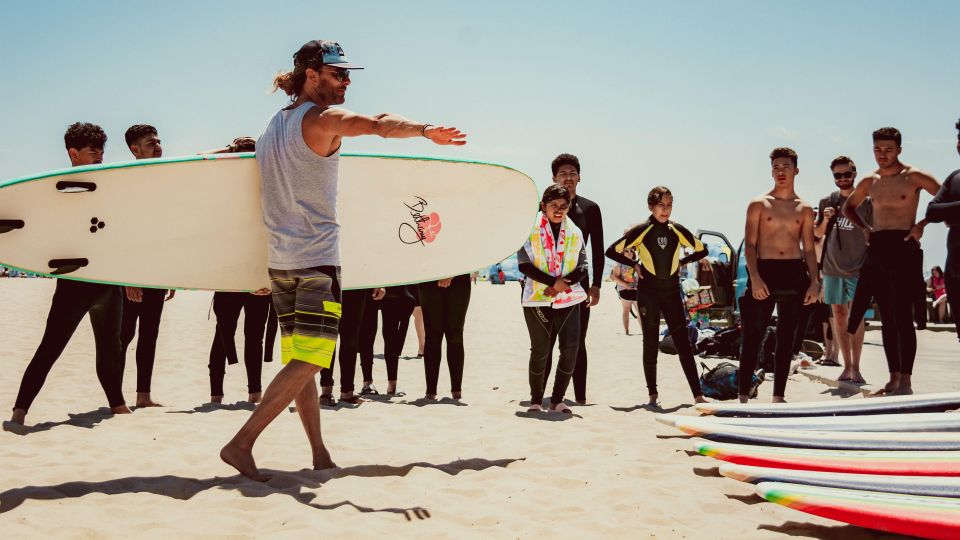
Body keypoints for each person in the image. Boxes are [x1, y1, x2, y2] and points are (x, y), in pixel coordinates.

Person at [220, 40, 465, 481]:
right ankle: (241, 443)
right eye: (338, 74)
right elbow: (377, 124)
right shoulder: (322, 118)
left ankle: (319, 451)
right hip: (315, 260)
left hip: (282, 261)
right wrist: (426, 130)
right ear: (312, 75)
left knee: (302, 361)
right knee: (314, 358)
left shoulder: (273, 125)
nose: (346, 82)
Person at [8, 123, 131, 427]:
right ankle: (20, 411)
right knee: (50, 347)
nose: (100, 155)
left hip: (107, 281)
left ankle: (118, 405)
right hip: (74, 284)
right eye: (93, 150)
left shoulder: (109, 189)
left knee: (110, 349)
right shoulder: (56, 191)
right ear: (73, 153)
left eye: (102, 149)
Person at [844, 127, 940, 396]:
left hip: (904, 246)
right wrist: (864, 228)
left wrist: (922, 224)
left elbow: (946, 199)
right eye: (877, 149)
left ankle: (906, 381)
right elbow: (848, 207)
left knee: (902, 317)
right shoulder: (870, 180)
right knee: (887, 317)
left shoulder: (914, 176)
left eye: (888, 149)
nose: (882, 154)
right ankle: (893, 378)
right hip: (878, 247)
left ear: (899, 149)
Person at [605, 187, 709, 405]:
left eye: (669, 205)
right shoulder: (642, 230)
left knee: (683, 343)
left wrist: (683, 261)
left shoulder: (676, 229)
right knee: (650, 343)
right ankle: (653, 395)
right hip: (649, 292)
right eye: (661, 205)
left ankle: (698, 395)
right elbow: (612, 251)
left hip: (671, 291)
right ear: (651, 206)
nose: (666, 210)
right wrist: (634, 263)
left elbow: (701, 250)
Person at [738, 148, 819, 404]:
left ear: (796, 170)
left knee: (786, 338)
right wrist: (756, 278)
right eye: (776, 167)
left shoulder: (805, 209)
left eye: (785, 166)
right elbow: (750, 245)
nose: (780, 172)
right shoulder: (758, 204)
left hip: (794, 272)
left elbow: (808, 248)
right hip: (765, 270)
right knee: (753, 334)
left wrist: (815, 281)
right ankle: (742, 396)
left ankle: (778, 397)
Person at [200, 137, 278, 404]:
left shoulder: (270, 188)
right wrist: (231, 150)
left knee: (254, 337)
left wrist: (267, 279)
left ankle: (254, 393)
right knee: (223, 335)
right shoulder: (223, 195)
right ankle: (216, 396)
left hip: (259, 278)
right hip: (230, 277)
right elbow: (200, 157)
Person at [518, 184, 587, 413]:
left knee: (570, 348)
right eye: (554, 205)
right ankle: (536, 399)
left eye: (563, 206)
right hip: (537, 297)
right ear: (543, 206)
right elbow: (524, 264)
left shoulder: (575, 232)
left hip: (567, 297)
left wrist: (561, 285)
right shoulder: (529, 228)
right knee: (540, 349)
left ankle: (557, 400)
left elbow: (583, 267)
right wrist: (552, 283)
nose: (559, 210)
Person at [119, 124, 174, 407]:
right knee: (124, 335)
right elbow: (124, 231)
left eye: (159, 141)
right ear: (135, 149)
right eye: (151, 142)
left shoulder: (164, 181)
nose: (158, 146)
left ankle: (143, 396)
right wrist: (130, 277)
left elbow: (166, 232)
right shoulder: (128, 181)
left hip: (156, 271)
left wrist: (170, 273)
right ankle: (115, 398)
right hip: (132, 273)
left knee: (149, 335)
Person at [543, 153, 604, 405]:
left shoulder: (590, 209)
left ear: (579, 176)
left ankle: (579, 397)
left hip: (578, 282)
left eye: (572, 173)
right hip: (546, 283)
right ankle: (539, 394)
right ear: (554, 178)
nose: (568, 178)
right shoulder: (542, 207)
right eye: (562, 174)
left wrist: (597, 285)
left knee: (577, 341)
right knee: (545, 340)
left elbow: (597, 250)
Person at [814, 156, 871, 383]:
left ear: (854, 174)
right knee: (838, 316)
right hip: (832, 267)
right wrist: (826, 220)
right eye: (838, 175)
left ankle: (856, 367)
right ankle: (846, 365)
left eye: (847, 174)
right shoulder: (827, 201)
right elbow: (817, 234)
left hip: (858, 267)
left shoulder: (867, 202)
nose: (843, 179)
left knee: (856, 318)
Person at [319, 287, 385, 405]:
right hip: (330, 282)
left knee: (349, 337)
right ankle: (327, 391)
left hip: (355, 285)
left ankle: (345, 391)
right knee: (329, 335)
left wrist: (378, 284)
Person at [925, 118, 960, 340]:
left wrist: (951, 214)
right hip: (955, 269)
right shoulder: (954, 177)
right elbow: (932, 212)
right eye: (959, 138)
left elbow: (941, 211)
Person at [419, 276, 471, 400]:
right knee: (432, 336)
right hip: (429, 277)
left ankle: (456, 391)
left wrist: (450, 273)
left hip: (459, 278)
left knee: (455, 335)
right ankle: (430, 392)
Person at [610, 239, 638, 335]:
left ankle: (645, 332)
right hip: (624, 289)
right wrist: (625, 284)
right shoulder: (619, 263)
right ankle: (627, 331)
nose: (629, 253)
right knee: (626, 310)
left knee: (640, 312)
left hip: (636, 290)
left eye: (631, 251)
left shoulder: (636, 263)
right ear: (623, 252)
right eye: (627, 250)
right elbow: (613, 276)